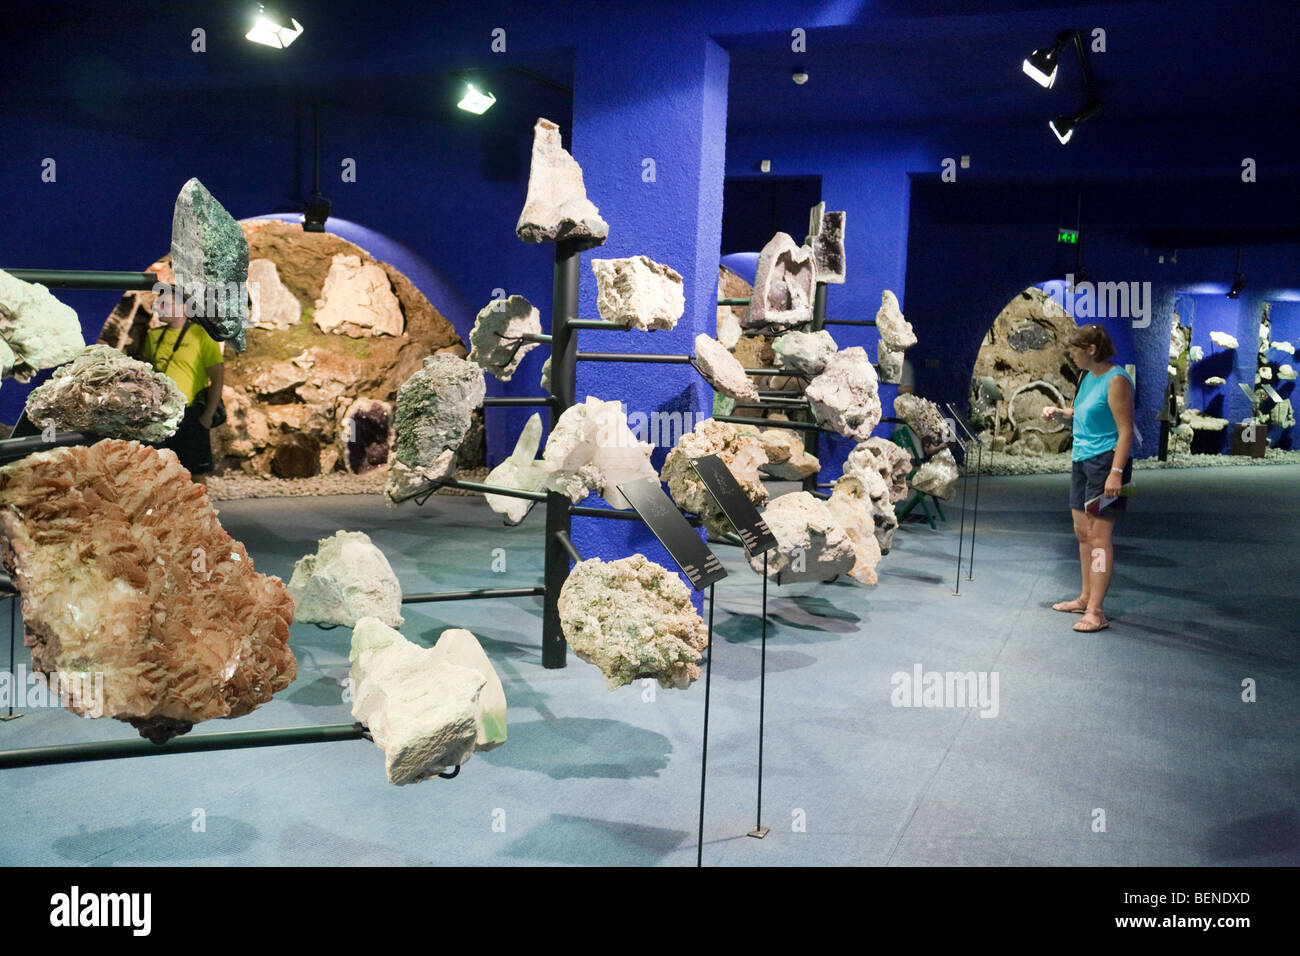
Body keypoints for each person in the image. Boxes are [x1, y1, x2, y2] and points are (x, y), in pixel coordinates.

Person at [1041, 324, 1134, 633]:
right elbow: (1082, 411)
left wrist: (1116, 473)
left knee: (1099, 539)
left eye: (1074, 349)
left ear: (1091, 350)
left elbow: (1125, 431)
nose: (1071, 355)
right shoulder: (1086, 377)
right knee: (1083, 534)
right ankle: (1084, 597)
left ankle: (1096, 610)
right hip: (1081, 461)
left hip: (1106, 464)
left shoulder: (1117, 380)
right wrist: (1061, 412)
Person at [140, 286, 225, 479]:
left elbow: (218, 376)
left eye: (165, 304)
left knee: (195, 473)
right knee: (158, 471)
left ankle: (199, 509)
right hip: (160, 415)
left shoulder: (202, 336)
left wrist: (208, 415)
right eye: (158, 304)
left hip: (192, 414)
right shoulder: (153, 337)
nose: (159, 308)